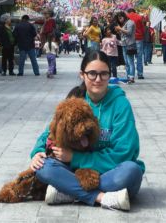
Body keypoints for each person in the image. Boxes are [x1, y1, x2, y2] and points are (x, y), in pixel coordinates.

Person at [30, 51, 145, 211]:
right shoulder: (75, 98)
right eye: (92, 74)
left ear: (109, 75)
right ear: (82, 75)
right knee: (44, 167)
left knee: (131, 171)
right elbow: (51, 131)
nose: (98, 79)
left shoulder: (120, 104)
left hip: (110, 172)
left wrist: (75, 158)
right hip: (77, 172)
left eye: (104, 74)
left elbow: (124, 153)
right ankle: (102, 198)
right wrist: (38, 151)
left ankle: (68, 191)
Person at [116, 11, 140, 82]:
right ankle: (128, 76)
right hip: (124, 44)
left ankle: (131, 77)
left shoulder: (130, 22)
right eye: (119, 19)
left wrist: (120, 29)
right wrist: (119, 31)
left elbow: (129, 32)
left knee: (130, 61)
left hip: (130, 44)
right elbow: (124, 32)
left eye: (120, 18)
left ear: (124, 16)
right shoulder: (124, 23)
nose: (120, 20)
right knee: (126, 62)